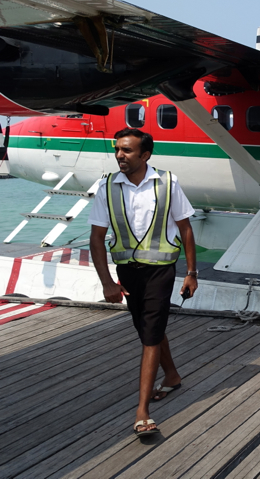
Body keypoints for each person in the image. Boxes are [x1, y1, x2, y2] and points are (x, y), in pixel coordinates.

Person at [88, 128, 197, 438]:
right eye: (118, 150)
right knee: (148, 328)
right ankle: (172, 376)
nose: (120, 155)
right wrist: (107, 281)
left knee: (150, 335)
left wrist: (192, 272)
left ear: (145, 155)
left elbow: (185, 228)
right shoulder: (106, 186)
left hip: (162, 270)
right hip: (128, 273)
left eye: (127, 151)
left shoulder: (168, 182)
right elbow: (96, 237)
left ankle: (141, 412)